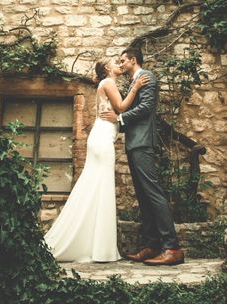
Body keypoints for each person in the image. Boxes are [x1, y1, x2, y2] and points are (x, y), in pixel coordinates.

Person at [43, 56, 149, 262]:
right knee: (102, 187)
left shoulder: (107, 83)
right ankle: (100, 248)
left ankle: (98, 245)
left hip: (102, 136)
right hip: (102, 139)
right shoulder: (108, 82)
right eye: (114, 62)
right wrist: (135, 87)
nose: (119, 63)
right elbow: (121, 107)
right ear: (108, 68)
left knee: (96, 187)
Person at [100, 47, 185, 266]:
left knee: (153, 193)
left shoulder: (147, 77)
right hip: (134, 143)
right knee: (143, 196)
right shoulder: (133, 81)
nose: (121, 64)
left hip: (143, 142)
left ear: (133, 60)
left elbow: (146, 108)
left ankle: (172, 248)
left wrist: (119, 119)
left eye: (123, 61)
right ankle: (152, 245)